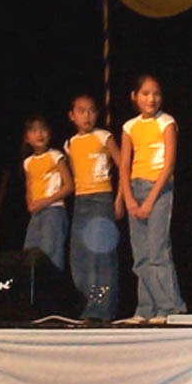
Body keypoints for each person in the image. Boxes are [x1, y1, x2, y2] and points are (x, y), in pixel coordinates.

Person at [119, 74, 187, 325]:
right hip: (135, 188)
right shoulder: (129, 127)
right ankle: (146, 308)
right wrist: (128, 199)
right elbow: (124, 165)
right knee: (141, 255)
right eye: (145, 93)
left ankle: (169, 307)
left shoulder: (166, 122)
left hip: (158, 189)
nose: (151, 98)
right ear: (134, 96)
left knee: (157, 251)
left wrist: (149, 201)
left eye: (156, 93)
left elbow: (169, 165)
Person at [64, 94, 123, 322]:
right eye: (81, 111)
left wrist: (120, 199)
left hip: (101, 199)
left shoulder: (103, 137)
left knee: (101, 255)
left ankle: (102, 310)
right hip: (81, 201)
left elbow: (123, 166)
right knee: (80, 256)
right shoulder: (70, 144)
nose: (87, 116)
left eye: (91, 110)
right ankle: (86, 307)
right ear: (72, 116)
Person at [22, 115, 73, 273]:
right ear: (27, 137)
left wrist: (46, 201)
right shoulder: (28, 162)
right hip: (36, 214)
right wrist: (30, 204)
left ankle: (53, 286)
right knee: (30, 252)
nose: (39, 134)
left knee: (51, 253)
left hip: (54, 210)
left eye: (43, 130)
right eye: (34, 131)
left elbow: (69, 186)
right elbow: (29, 187)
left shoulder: (55, 156)